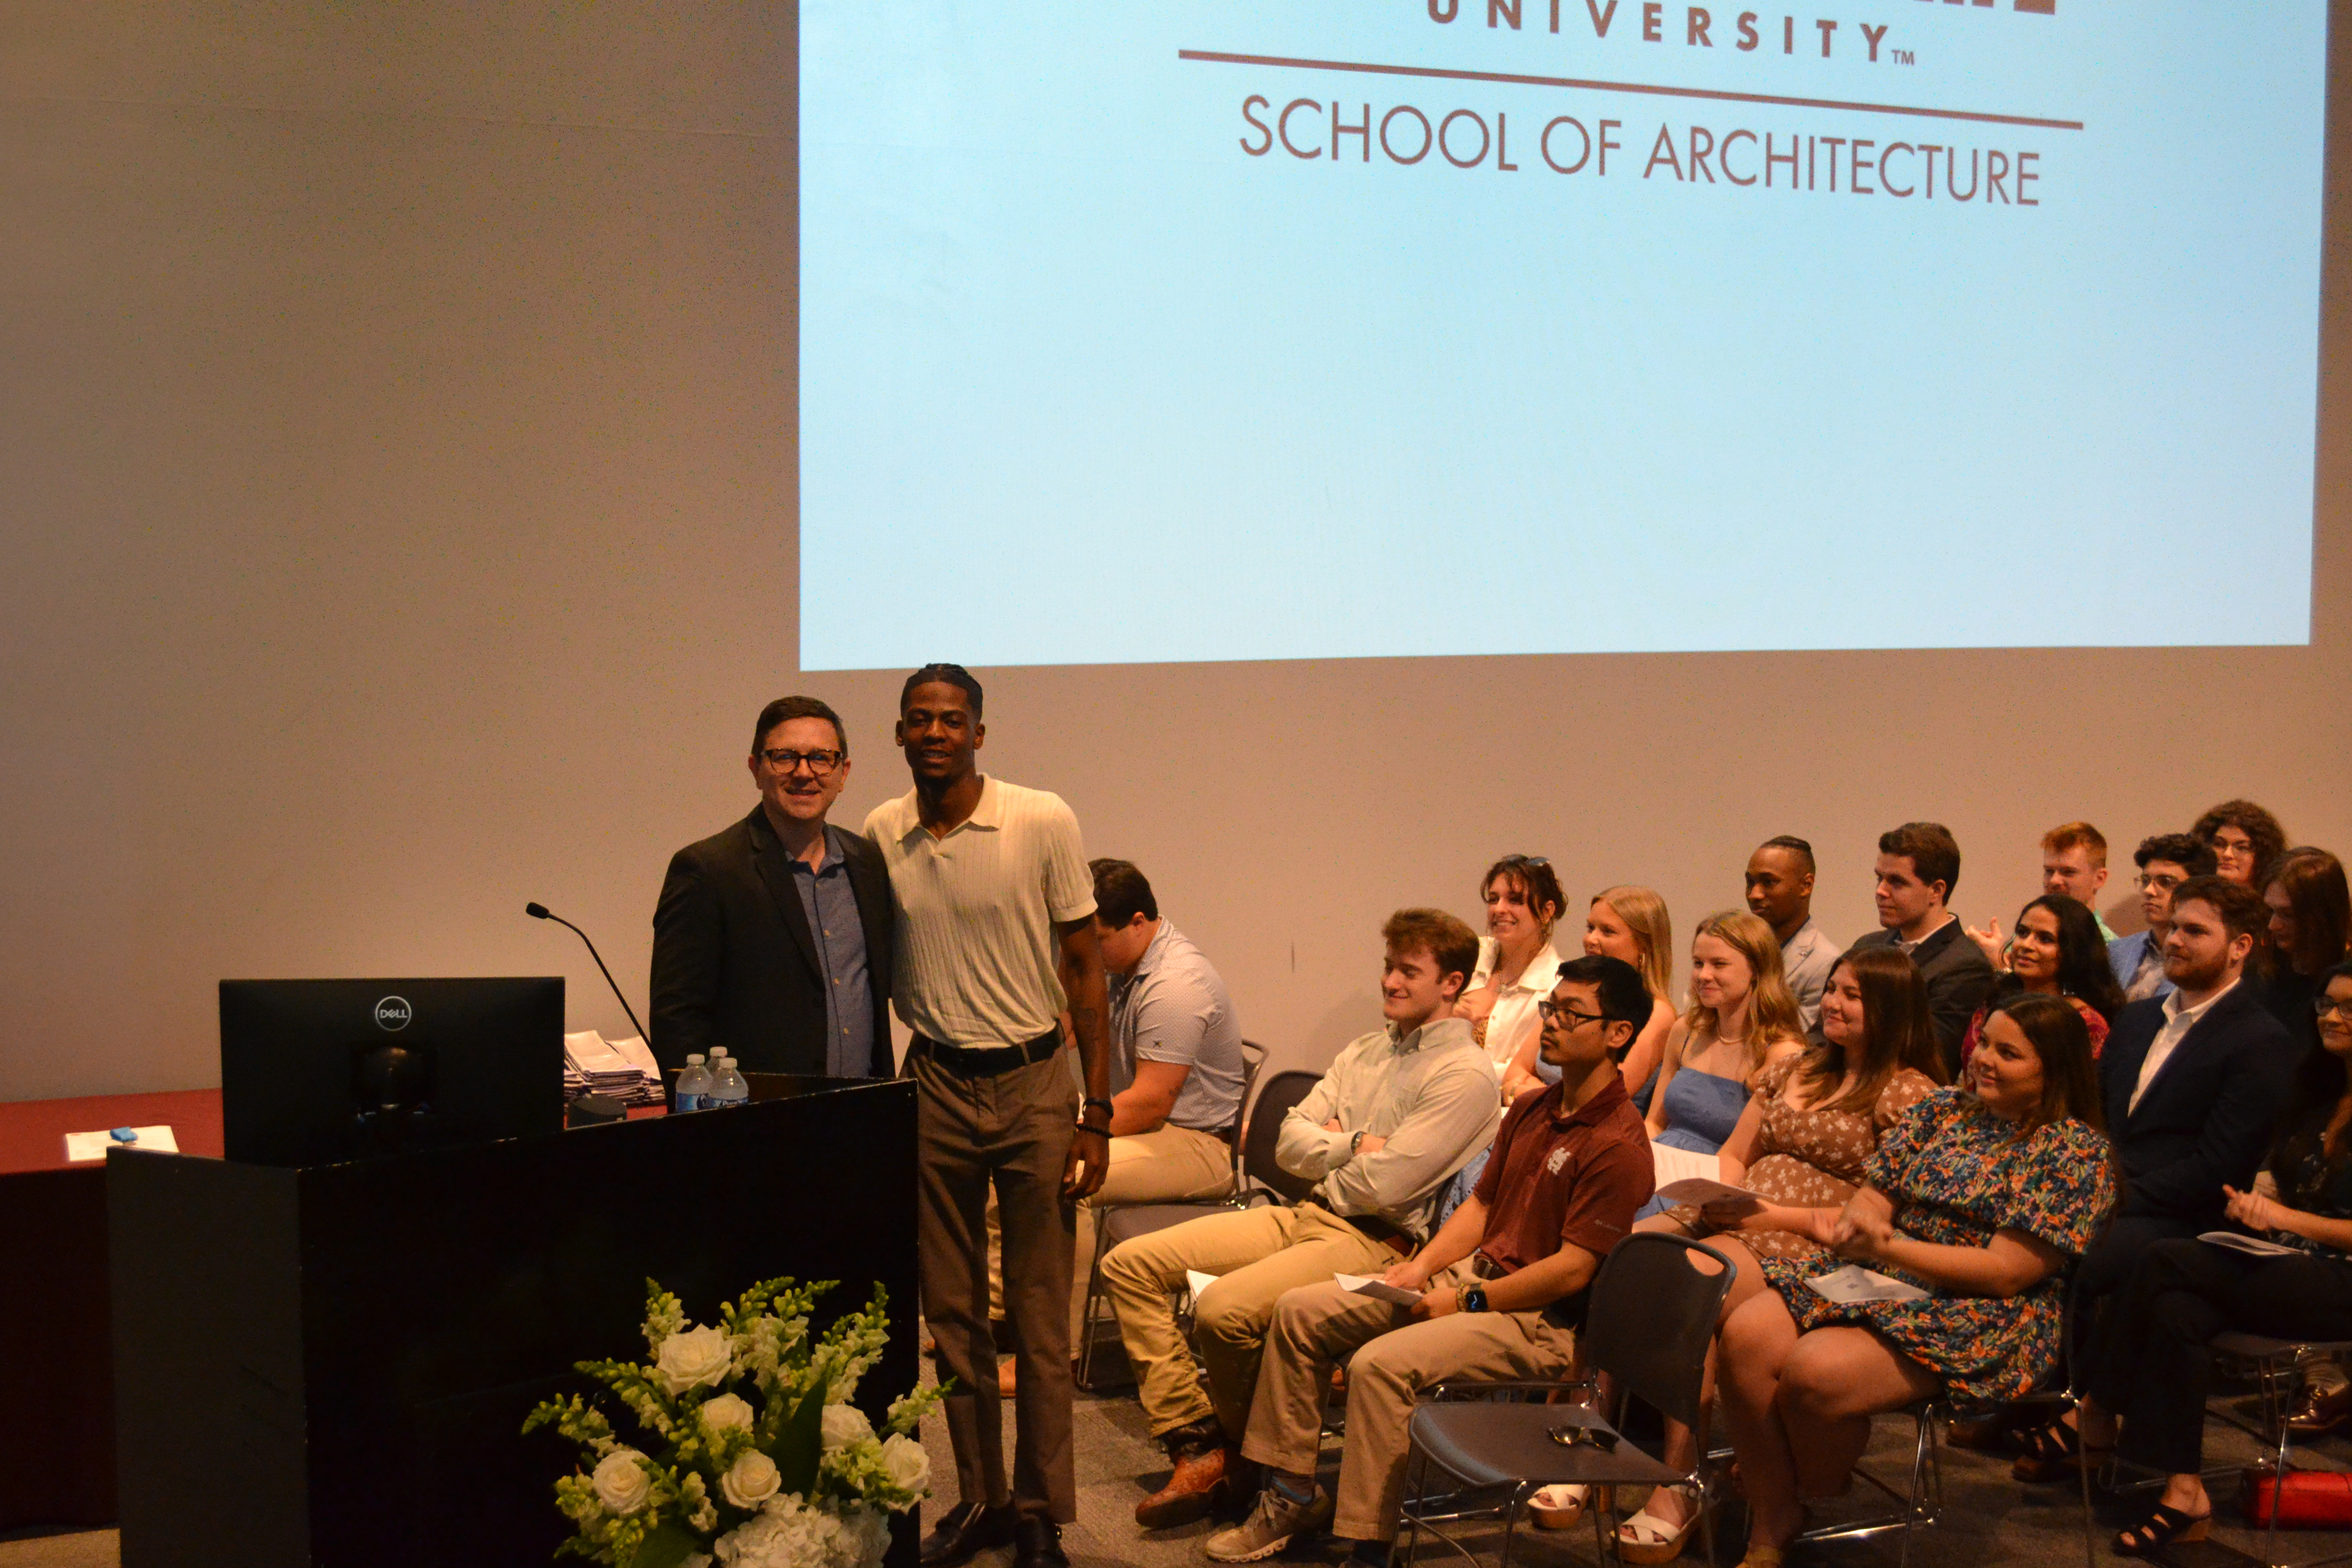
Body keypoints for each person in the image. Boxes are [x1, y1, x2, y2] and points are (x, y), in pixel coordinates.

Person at [1199, 956, 1657, 1567]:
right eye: (1551, 1009)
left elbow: (1573, 1271)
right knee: (1300, 1311)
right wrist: (1421, 1270)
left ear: (1618, 1034)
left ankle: (1368, 1544)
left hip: (1537, 1319)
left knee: (1380, 1366)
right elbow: (1481, 1206)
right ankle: (1290, 1495)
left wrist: (1467, 1300)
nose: (1550, 1025)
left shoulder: (1618, 1144)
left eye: (1572, 1015)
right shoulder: (1532, 1108)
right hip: (1474, 1282)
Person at [1099, 910, 1500, 1531]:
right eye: (1389, 966)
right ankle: (1202, 1443)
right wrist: (1356, 1143)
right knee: (1129, 1265)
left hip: (1375, 1243)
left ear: (1452, 984)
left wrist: (1335, 1151)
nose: (1391, 981)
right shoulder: (1367, 1049)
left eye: (1408, 971)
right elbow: (1288, 1140)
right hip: (1303, 1213)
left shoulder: (1466, 1074)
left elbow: (1390, 1182)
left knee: (1222, 1311)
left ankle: (1242, 1460)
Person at [1714, 992, 2116, 1568]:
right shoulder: (1944, 1109)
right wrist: (1867, 1224)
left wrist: (1891, 1247)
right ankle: (1774, 1518)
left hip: (1981, 1311)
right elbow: (1878, 1192)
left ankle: (1794, 1483)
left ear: (2053, 1071)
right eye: (1985, 1044)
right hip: (1885, 1271)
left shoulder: (2075, 1151)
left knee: (1813, 1376)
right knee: (1745, 1334)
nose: (1984, 1060)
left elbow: (2006, 1273)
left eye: (2009, 1054)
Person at [862, 665, 1109, 1568]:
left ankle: (1042, 1508)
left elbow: (1088, 969)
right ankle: (981, 1498)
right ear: (898, 735)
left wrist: (1099, 1111)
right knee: (953, 1313)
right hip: (932, 1081)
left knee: (1041, 1316)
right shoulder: (881, 831)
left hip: (1035, 1080)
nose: (935, 732)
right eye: (919, 720)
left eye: (952, 719)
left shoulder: (1040, 817)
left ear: (978, 732)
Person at [1614, 946, 1945, 1561]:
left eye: (1854, 996)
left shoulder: (1908, 1092)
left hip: (1815, 1241)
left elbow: (1887, 1208)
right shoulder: (1799, 1069)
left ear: (1894, 1011)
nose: (1836, 1004)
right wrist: (1718, 1194)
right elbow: (1739, 1152)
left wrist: (1766, 1214)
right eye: (1836, 990)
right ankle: (1600, 1445)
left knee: (1695, 1289)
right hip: (1741, 1217)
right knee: (1632, 1260)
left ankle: (1683, 1483)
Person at [2012, 874, 2299, 1481]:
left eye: (2196, 931)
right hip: (2117, 1194)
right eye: (2173, 928)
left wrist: (2108, 1200)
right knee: (2014, 1231)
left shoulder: (2261, 1039)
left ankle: (2079, 1412)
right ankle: (2027, 1401)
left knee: (2083, 1255)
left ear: (2242, 946)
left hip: (2187, 1213)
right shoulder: (2139, 1019)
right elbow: (2100, 1121)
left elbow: (2218, 1166)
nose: (2175, 940)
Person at [2079, 960, 2352, 1555]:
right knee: (2178, 1309)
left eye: (2349, 1008)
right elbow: (2285, 1177)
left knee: (2162, 1260)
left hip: (2342, 1280)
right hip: (2287, 1260)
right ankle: (2184, 1489)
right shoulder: (2320, 1091)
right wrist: (2261, 1199)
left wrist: (2285, 1219)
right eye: (2327, 1004)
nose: (2332, 1016)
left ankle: (2095, 1409)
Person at [649, 695, 896, 1077]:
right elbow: (677, 1019)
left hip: (864, 1111)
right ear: (756, 769)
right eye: (784, 757)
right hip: (760, 1121)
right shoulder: (707, 870)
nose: (803, 772)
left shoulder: (867, 863)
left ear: (843, 772)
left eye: (820, 758)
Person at [1071, 858, 1250, 1350]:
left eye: (1099, 938)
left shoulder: (1175, 985)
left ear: (1138, 923)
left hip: (1199, 1145)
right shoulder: (1122, 965)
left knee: (1070, 1175)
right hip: (1162, 1131)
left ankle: (1051, 1355)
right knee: (1016, 1154)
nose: (1090, 951)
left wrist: (1073, 1128)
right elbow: (1068, 1029)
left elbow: (1150, 1104)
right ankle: (1004, 1315)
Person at [1638, 912, 1807, 1218]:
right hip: (1655, 1168)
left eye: (1719, 964)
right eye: (1698, 963)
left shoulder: (1781, 1053)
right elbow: (1654, 1122)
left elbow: (1750, 1158)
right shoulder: (1686, 1030)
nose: (1703, 975)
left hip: (1712, 1189)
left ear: (1756, 970)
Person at [1849, 822, 1997, 1075]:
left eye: (1896, 882)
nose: (1880, 891)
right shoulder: (1867, 946)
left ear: (1936, 891)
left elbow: (1932, 1058)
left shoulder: (1966, 967)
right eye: (1879, 878)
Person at [1957, 895, 2127, 1065]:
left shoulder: (2085, 1023)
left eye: (2045, 939)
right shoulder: (1996, 1000)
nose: (2026, 945)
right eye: (2023, 933)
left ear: (2073, 951)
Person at [1459, 854, 1568, 1105]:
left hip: (1497, 1107)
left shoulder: (1557, 986)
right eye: (1494, 899)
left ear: (1547, 911)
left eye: (1515, 900)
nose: (1499, 909)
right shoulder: (1468, 954)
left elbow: (1520, 1070)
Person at [1573, 886, 1678, 1112]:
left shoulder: (1657, 1014)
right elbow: (1517, 1070)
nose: (1591, 939)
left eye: (1607, 931)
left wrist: (1524, 1092)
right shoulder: (1573, 991)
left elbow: (1602, 1099)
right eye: (1590, 928)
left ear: (1643, 945)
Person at [2106, 834, 2218, 1004]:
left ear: (2197, 889)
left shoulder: (2206, 958)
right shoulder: (2116, 951)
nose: (2149, 891)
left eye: (2166, 882)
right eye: (2145, 881)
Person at [2260, 848, 2351, 1056]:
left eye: (2288, 915)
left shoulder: (2346, 981)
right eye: (2270, 911)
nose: (2273, 925)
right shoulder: (2259, 973)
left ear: (2322, 916)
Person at [1746, 837, 1838, 1034]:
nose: (1754, 894)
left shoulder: (1824, 962)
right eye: (1750, 882)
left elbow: (1800, 1043)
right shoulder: (1737, 949)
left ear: (1806, 885)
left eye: (1768, 882)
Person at [2040, 821, 2119, 941]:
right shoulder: (2028, 936)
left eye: (2068, 872)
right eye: (2049, 871)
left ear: (2099, 879)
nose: (2054, 881)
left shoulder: (2110, 950)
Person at [2192, 798, 2290, 889]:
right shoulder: (2187, 901)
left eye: (2242, 848)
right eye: (2218, 845)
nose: (2227, 854)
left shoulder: (2271, 905)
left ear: (2264, 856)